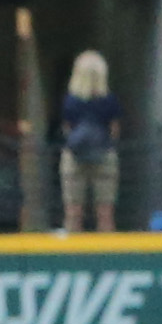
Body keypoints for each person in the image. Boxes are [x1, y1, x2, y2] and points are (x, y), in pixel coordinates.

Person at [55, 50, 122, 231]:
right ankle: (108, 255)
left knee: (73, 211)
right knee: (105, 212)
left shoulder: (70, 101)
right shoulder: (109, 100)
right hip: (104, 155)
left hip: (74, 156)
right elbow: (114, 130)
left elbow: (66, 129)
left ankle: (73, 255)